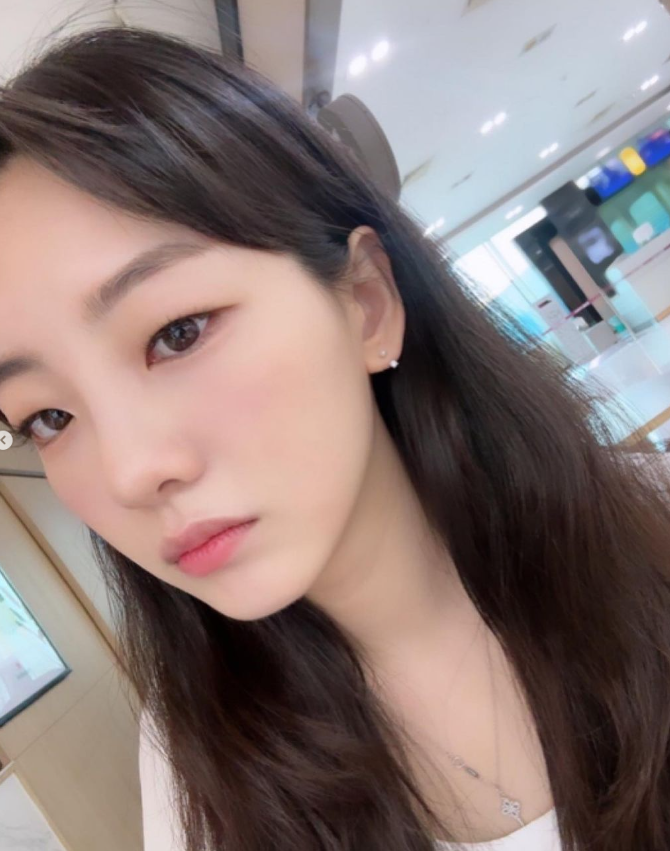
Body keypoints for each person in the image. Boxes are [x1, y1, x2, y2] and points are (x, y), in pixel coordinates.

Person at [0, 26, 668, 851]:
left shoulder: (651, 533)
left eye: (177, 333)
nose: (131, 471)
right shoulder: (193, 778)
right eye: (48, 418)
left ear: (365, 301)